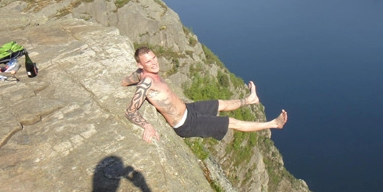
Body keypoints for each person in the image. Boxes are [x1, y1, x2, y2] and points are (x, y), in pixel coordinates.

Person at [122, 46, 288, 142]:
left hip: (188, 110)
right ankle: (273, 124)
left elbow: (127, 80)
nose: (153, 63)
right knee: (231, 122)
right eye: (148, 62)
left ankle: (249, 99)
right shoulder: (146, 82)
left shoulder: (141, 73)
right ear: (140, 64)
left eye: (154, 58)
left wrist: (123, 83)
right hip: (186, 124)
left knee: (219, 103)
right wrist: (147, 126)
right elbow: (130, 110)